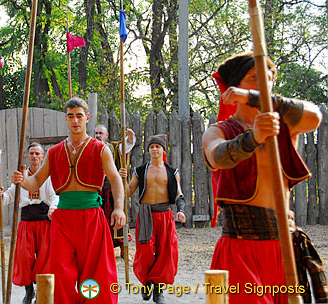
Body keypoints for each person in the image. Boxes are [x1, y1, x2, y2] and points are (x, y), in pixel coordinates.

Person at [202, 52, 322, 303]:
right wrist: (252, 138)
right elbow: (217, 157)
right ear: (235, 88)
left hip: (284, 249)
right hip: (241, 249)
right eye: (254, 78)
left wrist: (255, 97)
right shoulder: (219, 130)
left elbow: (315, 116)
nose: (263, 85)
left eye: (267, 80)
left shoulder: (286, 127)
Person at [12, 97, 126, 304]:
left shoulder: (100, 149)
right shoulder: (55, 152)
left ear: (87, 118)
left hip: (91, 217)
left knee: (94, 273)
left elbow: (116, 179)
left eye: (79, 116)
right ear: (66, 119)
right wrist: (22, 181)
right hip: (62, 219)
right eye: (71, 116)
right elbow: (35, 182)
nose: (75, 121)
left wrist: (119, 208)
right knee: (61, 273)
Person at [120, 134, 186, 304]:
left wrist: (181, 210)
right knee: (145, 252)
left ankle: (158, 290)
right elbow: (127, 193)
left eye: (158, 146)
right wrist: (122, 179)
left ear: (163, 149)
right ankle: (147, 282)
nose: (155, 149)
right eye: (152, 147)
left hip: (165, 215)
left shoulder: (172, 172)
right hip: (146, 214)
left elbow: (179, 194)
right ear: (148, 150)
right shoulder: (140, 171)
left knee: (166, 253)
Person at [0, 142, 58, 304]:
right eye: (32, 153)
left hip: (44, 221)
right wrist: (1, 195)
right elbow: (9, 197)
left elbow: (54, 197)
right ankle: (28, 291)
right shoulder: (20, 177)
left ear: (43, 157)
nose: (35, 156)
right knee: (24, 258)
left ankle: (41, 291)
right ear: (28, 156)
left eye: (38, 153)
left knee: (45, 257)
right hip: (26, 222)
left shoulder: (47, 176)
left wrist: (53, 208)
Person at [94, 125, 135, 257]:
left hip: (111, 189)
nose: (98, 135)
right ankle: (100, 251)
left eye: (101, 133)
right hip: (95, 190)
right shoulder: (88, 147)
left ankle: (124, 249)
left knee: (118, 218)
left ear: (106, 136)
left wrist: (129, 137)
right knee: (98, 222)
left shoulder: (114, 148)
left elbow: (126, 147)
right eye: (96, 133)